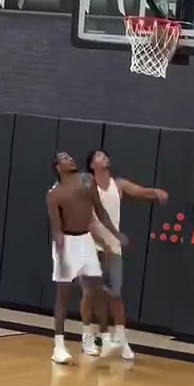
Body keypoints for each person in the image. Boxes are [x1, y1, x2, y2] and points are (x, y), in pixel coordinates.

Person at [80, 149, 168, 361]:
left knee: (115, 296)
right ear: (92, 165)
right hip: (91, 246)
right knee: (90, 294)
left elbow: (140, 192)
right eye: (99, 156)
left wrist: (155, 192)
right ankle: (87, 336)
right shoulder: (87, 186)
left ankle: (121, 339)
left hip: (113, 249)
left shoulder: (118, 184)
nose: (104, 157)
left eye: (105, 155)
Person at [47, 151, 127, 365]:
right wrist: (60, 250)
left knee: (96, 290)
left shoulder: (87, 180)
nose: (70, 159)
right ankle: (59, 346)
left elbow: (100, 211)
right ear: (58, 167)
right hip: (66, 242)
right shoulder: (54, 194)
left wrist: (115, 234)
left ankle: (102, 338)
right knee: (63, 296)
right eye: (64, 158)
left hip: (85, 240)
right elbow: (56, 227)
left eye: (70, 156)